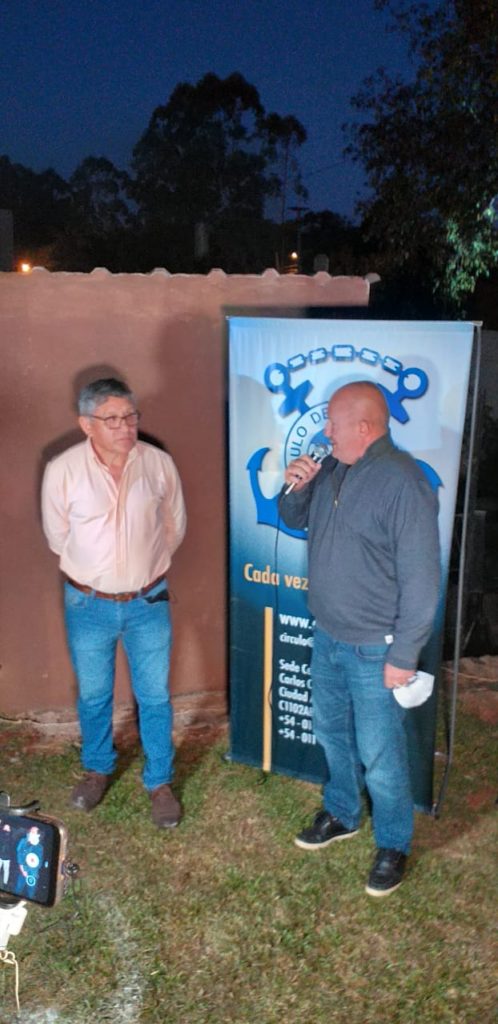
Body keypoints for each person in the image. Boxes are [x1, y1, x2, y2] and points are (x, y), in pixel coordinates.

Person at [279, 380, 441, 896]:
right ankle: (343, 812)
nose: (325, 432)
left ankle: (393, 843)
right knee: (332, 733)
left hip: (377, 648)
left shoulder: (404, 482)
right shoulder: (331, 467)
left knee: (381, 754)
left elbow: (422, 581)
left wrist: (404, 655)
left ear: (364, 428)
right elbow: (292, 518)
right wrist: (297, 486)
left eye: (333, 423)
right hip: (328, 635)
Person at [42, 378, 186, 828]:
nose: (125, 427)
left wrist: (142, 570)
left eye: (130, 417)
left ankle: (159, 782)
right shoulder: (63, 470)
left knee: (155, 696)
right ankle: (98, 769)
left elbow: (173, 525)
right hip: (88, 605)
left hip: (149, 601)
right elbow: (58, 536)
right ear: (86, 424)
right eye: (112, 419)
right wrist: (100, 574)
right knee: (94, 693)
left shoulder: (158, 464)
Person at [15, 826, 44, 898]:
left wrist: (35, 865)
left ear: (38, 835)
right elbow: (19, 854)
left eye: (33, 832)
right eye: (30, 831)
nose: (31, 833)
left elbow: (40, 862)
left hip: (33, 873)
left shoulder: (40, 847)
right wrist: (22, 869)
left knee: (31, 892)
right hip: (23, 870)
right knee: (18, 889)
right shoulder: (23, 841)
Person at [0, 821, 13, 886]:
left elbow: (11, 847)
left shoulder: (11, 837)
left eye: (7, 828)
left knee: (6, 871)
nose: (6, 829)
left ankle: (5, 883)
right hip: (0, 855)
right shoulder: (1, 834)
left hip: (7, 857)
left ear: (10, 829)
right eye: (5, 828)